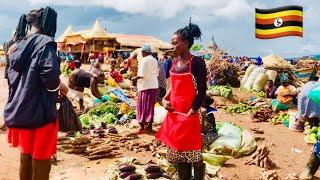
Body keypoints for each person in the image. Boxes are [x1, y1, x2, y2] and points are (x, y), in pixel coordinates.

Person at [4, 7, 63, 180]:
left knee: (26, 155)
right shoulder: (45, 42)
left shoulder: (17, 46)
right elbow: (50, 77)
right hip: (42, 112)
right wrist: (60, 87)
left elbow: (12, 76)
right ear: (47, 22)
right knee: (42, 157)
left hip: (22, 110)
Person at [156, 22, 207, 180]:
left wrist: (193, 110)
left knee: (194, 154)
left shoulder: (197, 62)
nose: (173, 46)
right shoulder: (173, 62)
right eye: (172, 43)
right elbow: (173, 86)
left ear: (185, 43)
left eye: (175, 42)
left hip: (190, 115)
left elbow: (202, 90)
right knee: (178, 152)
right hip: (174, 114)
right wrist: (165, 100)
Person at [132, 45, 159, 134]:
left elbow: (142, 75)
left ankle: (142, 127)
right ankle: (149, 126)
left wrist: (134, 78)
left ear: (144, 52)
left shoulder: (145, 60)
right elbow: (156, 73)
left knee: (142, 106)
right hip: (153, 85)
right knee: (150, 107)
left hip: (145, 86)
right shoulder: (154, 60)